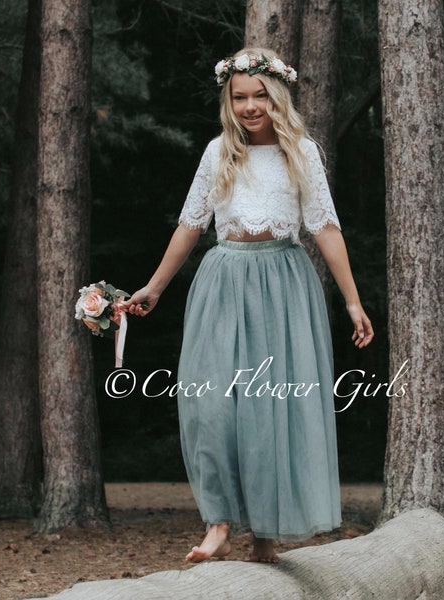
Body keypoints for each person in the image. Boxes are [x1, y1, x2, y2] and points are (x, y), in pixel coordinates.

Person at [121, 48, 374, 564]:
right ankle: (218, 522)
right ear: (227, 100)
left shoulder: (301, 153)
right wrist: (153, 287)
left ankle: (264, 536)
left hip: (283, 285)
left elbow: (324, 227)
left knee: (271, 409)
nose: (250, 106)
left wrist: (352, 302)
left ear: (277, 97)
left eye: (260, 96)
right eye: (240, 97)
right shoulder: (217, 153)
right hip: (224, 281)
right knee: (209, 407)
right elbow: (191, 225)